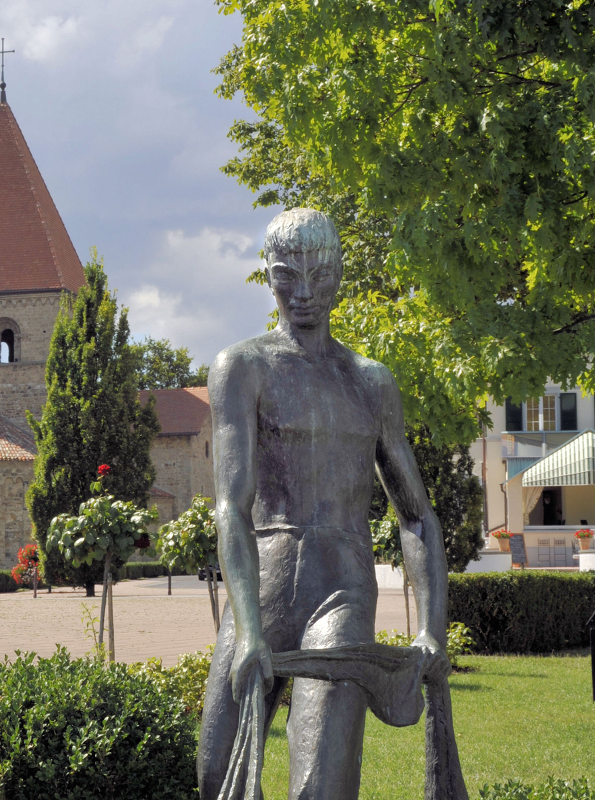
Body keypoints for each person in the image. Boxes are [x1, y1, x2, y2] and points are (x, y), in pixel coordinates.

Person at [198, 208, 451, 800]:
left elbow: (416, 517)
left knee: (322, 785)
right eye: (287, 276)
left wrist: (431, 630)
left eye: (319, 274)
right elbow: (231, 507)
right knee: (216, 775)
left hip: (342, 591)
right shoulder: (243, 367)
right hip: (262, 588)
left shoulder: (371, 381)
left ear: (339, 274)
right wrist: (250, 629)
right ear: (268, 274)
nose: (304, 292)